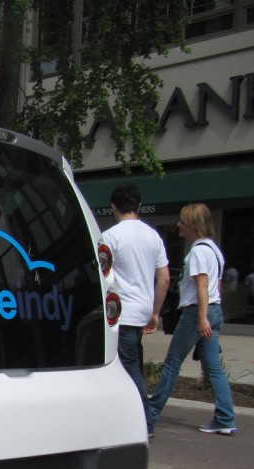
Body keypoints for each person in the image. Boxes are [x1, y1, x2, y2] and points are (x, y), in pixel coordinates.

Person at [148, 203, 236, 436]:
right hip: (214, 311)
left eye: (182, 222)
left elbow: (202, 285)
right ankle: (225, 418)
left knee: (172, 363)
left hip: (197, 313)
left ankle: (150, 416)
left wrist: (202, 317)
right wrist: (211, 316)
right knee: (214, 368)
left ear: (193, 225)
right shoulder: (215, 251)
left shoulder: (197, 252)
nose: (179, 225)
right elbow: (215, 286)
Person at [101, 184, 170, 438]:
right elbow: (164, 279)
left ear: (113, 207)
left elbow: (103, 275)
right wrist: (155, 313)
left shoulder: (110, 237)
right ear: (138, 206)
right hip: (142, 311)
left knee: (128, 368)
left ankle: (144, 422)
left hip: (121, 312)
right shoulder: (154, 237)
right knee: (134, 365)